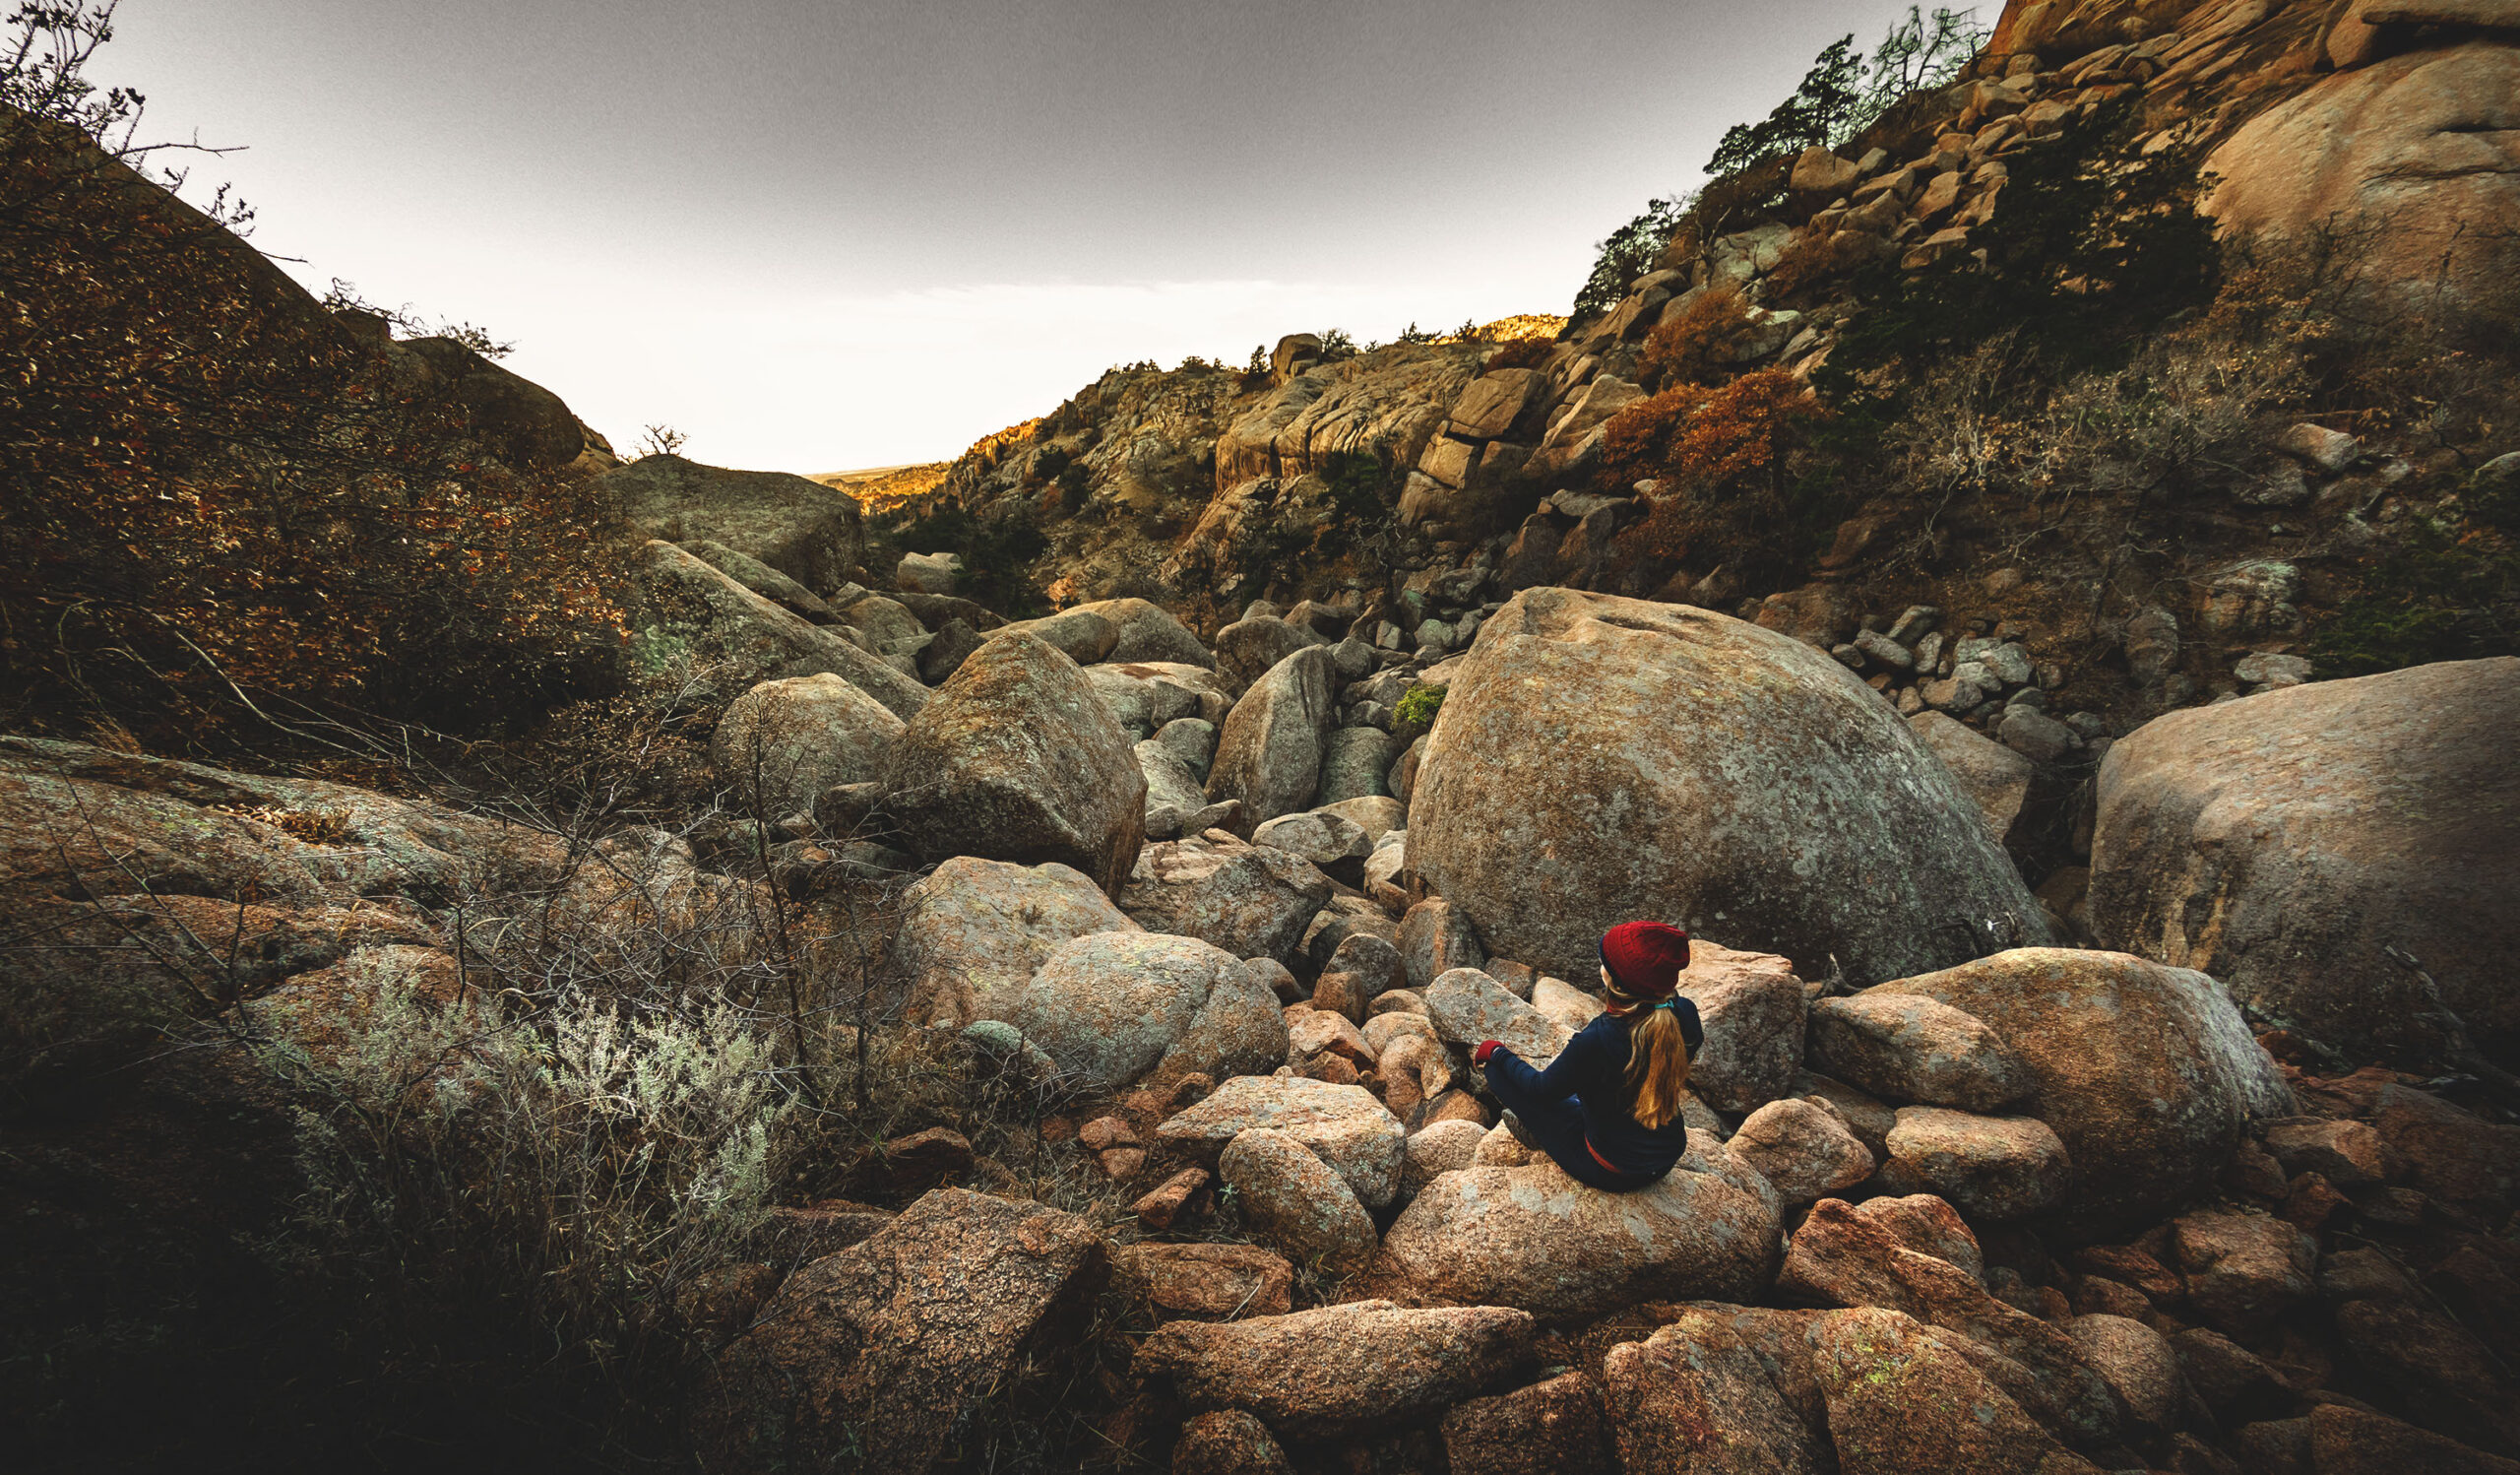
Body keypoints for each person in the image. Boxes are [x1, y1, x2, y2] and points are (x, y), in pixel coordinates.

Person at [1473, 920, 1704, 1191]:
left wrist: (1498, 1052)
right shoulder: (1685, 1013)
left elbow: (1541, 1090)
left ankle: (1542, 1134)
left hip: (1614, 1170)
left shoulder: (1598, 1039)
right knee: (1588, 1089)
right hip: (1666, 1156)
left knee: (1497, 1072)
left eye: (1605, 961)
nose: (1601, 964)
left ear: (1614, 978)